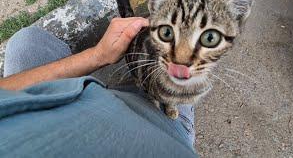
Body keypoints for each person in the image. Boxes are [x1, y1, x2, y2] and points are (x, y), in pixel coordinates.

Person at [0, 17, 198, 158]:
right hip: (153, 131)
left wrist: (98, 55)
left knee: (26, 42)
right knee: (180, 81)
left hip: (58, 102)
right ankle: (179, 126)